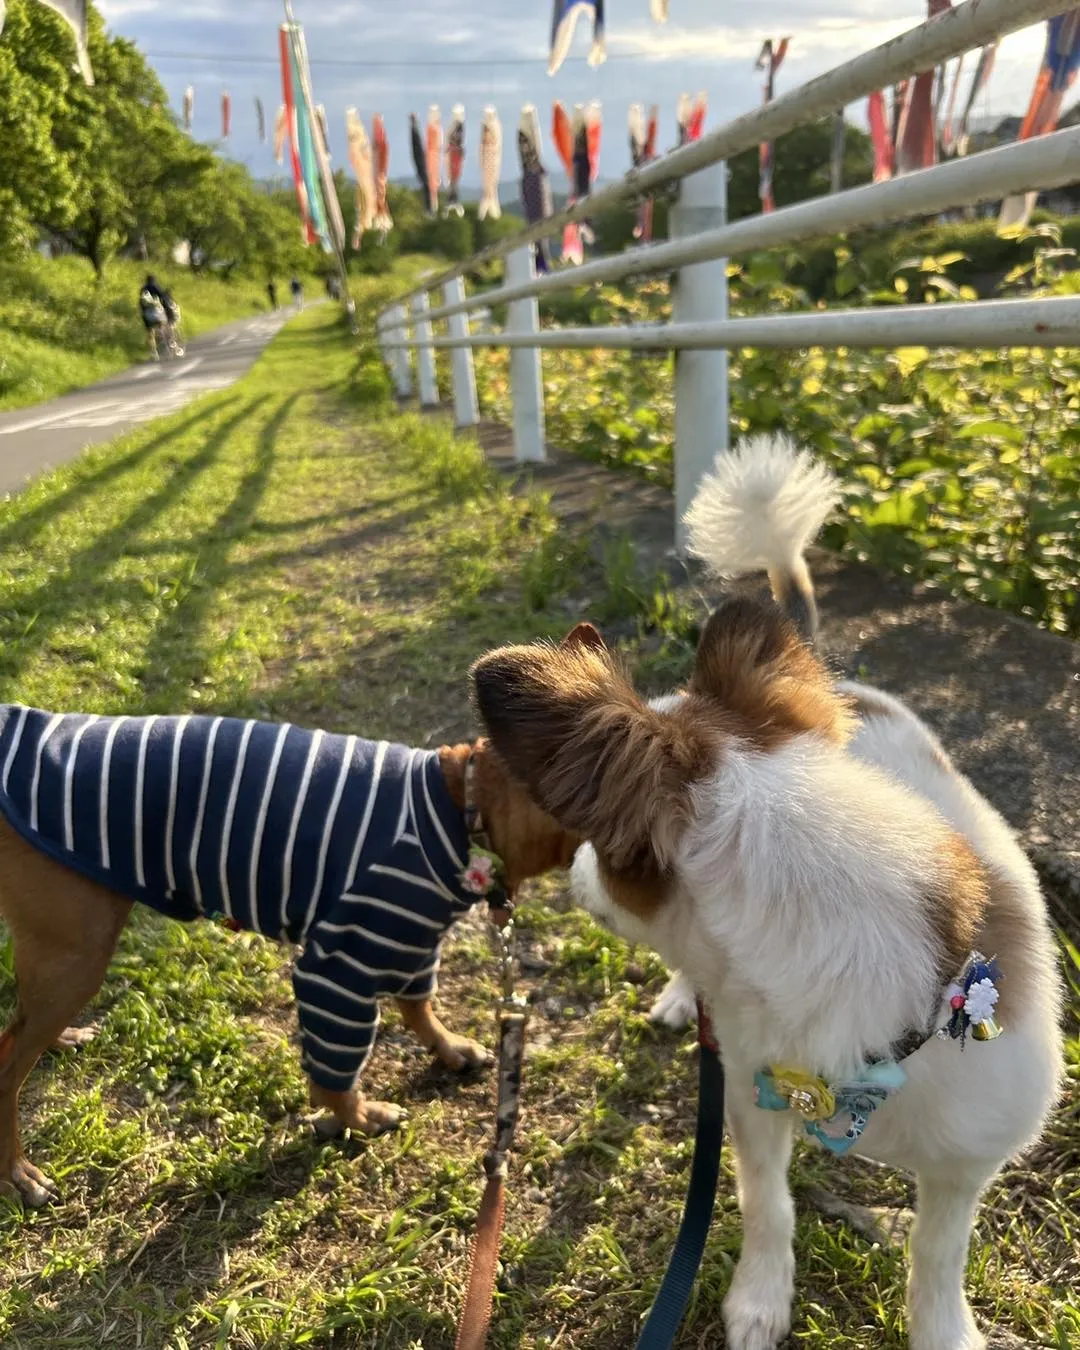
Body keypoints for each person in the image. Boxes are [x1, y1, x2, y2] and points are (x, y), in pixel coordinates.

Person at [138, 274, 180, 360]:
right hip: (157, 313)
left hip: (146, 315)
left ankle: (153, 353)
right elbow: (164, 299)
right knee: (166, 327)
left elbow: (140, 303)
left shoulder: (143, 289)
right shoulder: (155, 287)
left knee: (150, 333)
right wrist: (169, 310)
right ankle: (171, 345)